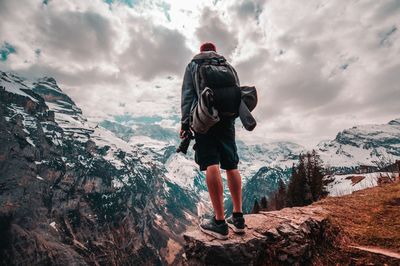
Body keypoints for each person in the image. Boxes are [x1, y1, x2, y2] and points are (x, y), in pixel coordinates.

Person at [180, 42, 245, 239]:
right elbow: (237, 92)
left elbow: (188, 95)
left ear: (201, 51)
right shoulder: (227, 66)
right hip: (227, 119)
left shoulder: (193, 65)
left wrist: (185, 124)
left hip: (204, 117)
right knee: (231, 164)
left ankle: (219, 223)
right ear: (215, 51)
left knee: (211, 163)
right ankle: (239, 218)